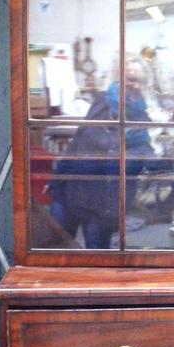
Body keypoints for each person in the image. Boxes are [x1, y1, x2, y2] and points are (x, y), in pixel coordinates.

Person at [48, 60, 154, 249]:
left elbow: (141, 154)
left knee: (97, 253)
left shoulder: (140, 115)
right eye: (131, 79)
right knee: (58, 248)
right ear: (119, 78)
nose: (136, 86)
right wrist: (56, 179)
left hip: (105, 201)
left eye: (141, 81)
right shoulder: (103, 101)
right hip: (77, 189)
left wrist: (146, 157)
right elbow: (80, 139)